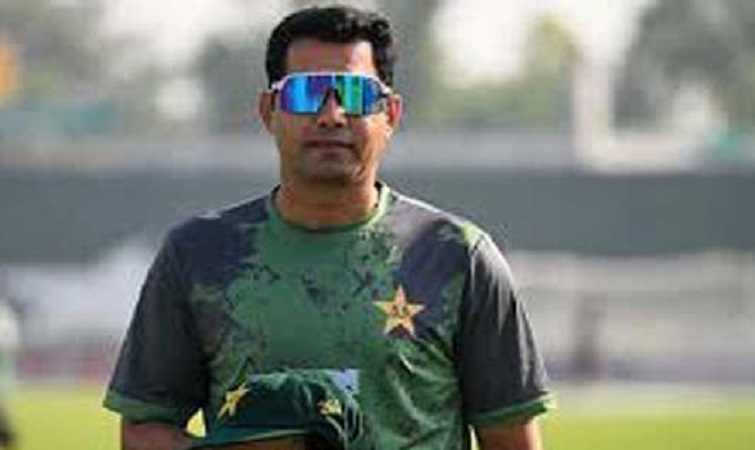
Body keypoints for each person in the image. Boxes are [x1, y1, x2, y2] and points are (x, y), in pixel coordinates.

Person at [103, 5, 553, 450]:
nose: (331, 114)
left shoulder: (457, 256)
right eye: (306, 93)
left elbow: (512, 441)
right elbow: (143, 430)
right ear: (269, 111)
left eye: (355, 94)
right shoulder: (198, 254)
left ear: (391, 114)